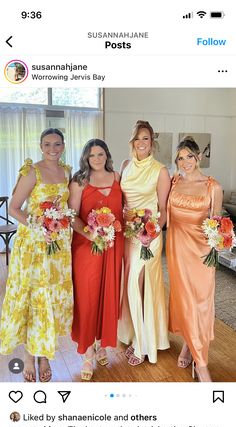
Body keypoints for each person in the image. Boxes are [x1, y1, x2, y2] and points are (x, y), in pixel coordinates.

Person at [0, 128, 73, 382]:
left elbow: (66, 208)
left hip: (59, 246)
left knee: (50, 298)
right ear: (41, 146)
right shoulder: (32, 171)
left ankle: (44, 354)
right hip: (33, 246)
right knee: (35, 297)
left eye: (57, 144)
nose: (52, 148)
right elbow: (14, 208)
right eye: (47, 144)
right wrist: (38, 226)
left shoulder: (66, 171)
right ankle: (30, 356)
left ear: (63, 146)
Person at [166, 136, 223, 382]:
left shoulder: (213, 186)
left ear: (199, 157)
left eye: (190, 156)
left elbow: (218, 223)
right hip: (178, 248)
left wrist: (217, 246)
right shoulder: (174, 181)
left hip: (202, 252)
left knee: (201, 302)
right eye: (180, 158)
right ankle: (201, 364)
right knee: (185, 300)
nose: (185, 161)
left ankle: (191, 347)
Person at [69, 139, 124, 381]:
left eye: (101, 153)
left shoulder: (117, 177)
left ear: (107, 155)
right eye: (92, 155)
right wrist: (91, 234)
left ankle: (102, 344)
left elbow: (124, 208)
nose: (97, 158)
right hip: (86, 247)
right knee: (88, 298)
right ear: (86, 158)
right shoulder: (79, 181)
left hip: (113, 247)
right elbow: (72, 216)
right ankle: (88, 352)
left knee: (108, 295)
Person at [118, 120, 170, 365]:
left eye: (146, 138)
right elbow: (121, 202)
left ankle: (143, 345)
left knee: (137, 285)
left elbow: (163, 210)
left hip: (149, 237)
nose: (141, 142)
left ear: (152, 142)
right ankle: (134, 334)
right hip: (128, 234)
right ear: (132, 141)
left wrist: (151, 233)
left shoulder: (160, 170)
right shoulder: (125, 165)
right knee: (130, 287)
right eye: (137, 138)